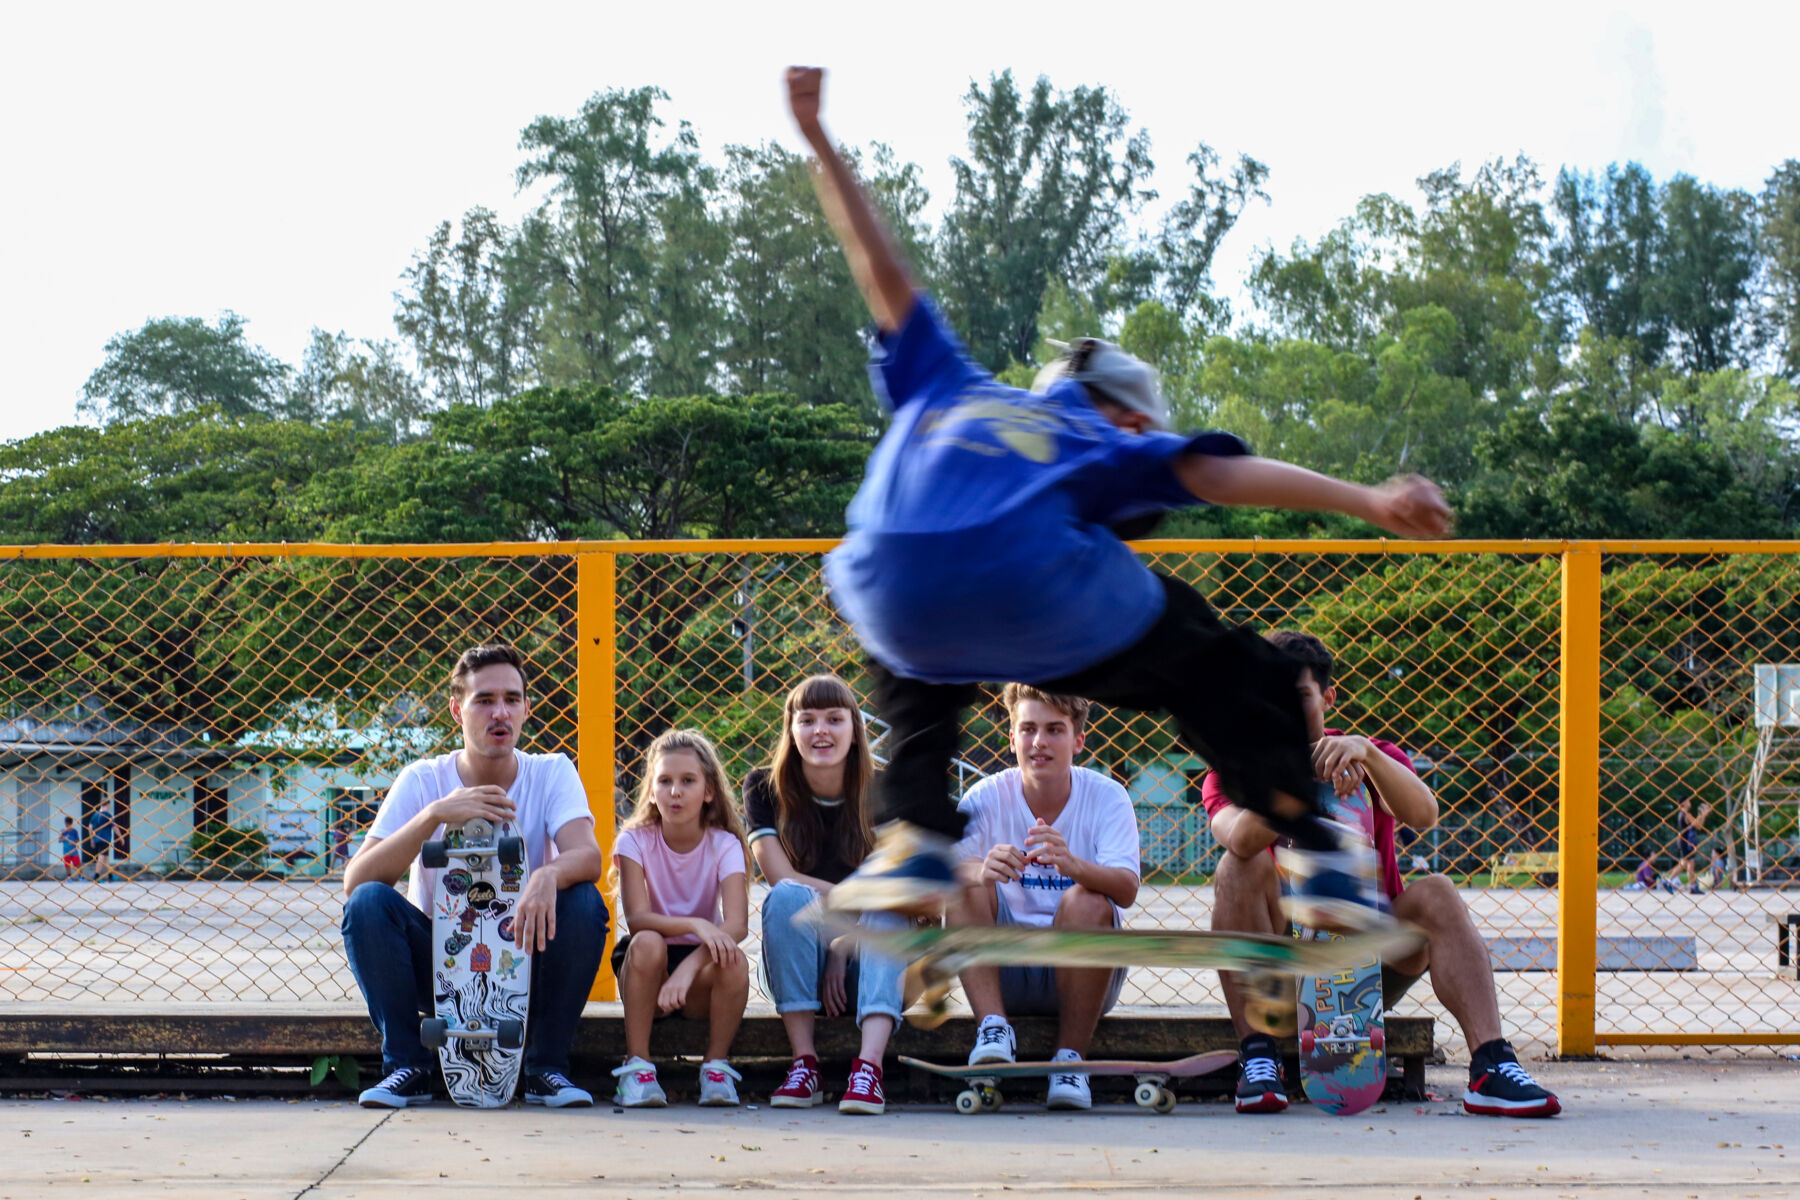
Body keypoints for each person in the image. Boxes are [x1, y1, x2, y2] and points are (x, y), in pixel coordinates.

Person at [782, 66, 1453, 926]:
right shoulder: (1098, 433)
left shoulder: (950, 383)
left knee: (916, 681)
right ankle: (1317, 848)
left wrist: (819, 139)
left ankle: (913, 837)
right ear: (1131, 415)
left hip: (886, 586)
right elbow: (1219, 475)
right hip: (1041, 590)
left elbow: (880, 268)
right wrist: (1369, 500)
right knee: (1225, 665)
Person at [1205, 630, 1560, 1118]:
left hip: (1367, 971)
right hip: (1281, 972)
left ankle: (1490, 1066)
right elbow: (1238, 838)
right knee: (1234, 868)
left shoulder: (1372, 754)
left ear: (1328, 697)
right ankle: (1260, 1058)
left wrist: (1368, 759)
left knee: (1436, 891)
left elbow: (1424, 813)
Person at [340, 643, 608, 1110]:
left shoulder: (551, 772)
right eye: (484, 700)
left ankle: (545, 1068)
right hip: (445, 963)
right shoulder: (424, 779)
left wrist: (547, 875)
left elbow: (587, 855)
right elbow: (356, 879)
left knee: (584, 902)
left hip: (524, 956)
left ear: (527, 708)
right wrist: (433, 816)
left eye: (511, 699)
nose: (499, 712)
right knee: (366, 905)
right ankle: (408, 1066)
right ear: (456, 708)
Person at [952, 684, 1140, 1111]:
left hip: (1082, 974)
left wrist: (1074, 866)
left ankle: (1071, 1061)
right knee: (963, 884)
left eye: (1055, 730)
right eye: (1028, 729)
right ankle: (994, 1029)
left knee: (1087, 901)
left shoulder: (1107, 796)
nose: (1039, 742)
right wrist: (979, 870)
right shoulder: (984, 798)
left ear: (1078, 740)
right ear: (1013, 737)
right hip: (1004, 971)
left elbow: (1126, 889)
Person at [746, 675, 905, 1115]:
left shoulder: (884, 787)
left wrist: (844, 944)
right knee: (787, 897)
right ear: (790, 730)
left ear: (854, 729)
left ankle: (868, 1069)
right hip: (800, 954)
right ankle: (805, 1064)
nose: (821, 731)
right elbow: (779, 876)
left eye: (835, 719)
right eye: (808, 719)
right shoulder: (763, 787)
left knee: (890, 910)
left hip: (874, 955)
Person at [610, 728, 751, 1108]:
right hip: (647, 968)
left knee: (734, 959)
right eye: (665, 781)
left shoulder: (724, 843)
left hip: (699, 974)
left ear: (708, 792)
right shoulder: (634, 840)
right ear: (651, 792)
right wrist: (695, 924)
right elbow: (638, 919)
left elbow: (737, 925)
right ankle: (636, 1067)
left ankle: (716, 1067)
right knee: (649, 942)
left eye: (688, 781)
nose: (675, 791)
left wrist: (690, 967)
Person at [60, 816, 82, 881]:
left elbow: (78, 839)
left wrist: (74, 842)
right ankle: (69, 877)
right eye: (66, 824)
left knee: (77, 864)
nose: (67, 825)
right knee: (67, 865)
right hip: (66, 851)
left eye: (68, 824)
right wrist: (64, 838)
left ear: (71, 824)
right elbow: (59, 840)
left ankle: (80, 876)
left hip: (74, 851)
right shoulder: (62, 831)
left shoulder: (74, 831)